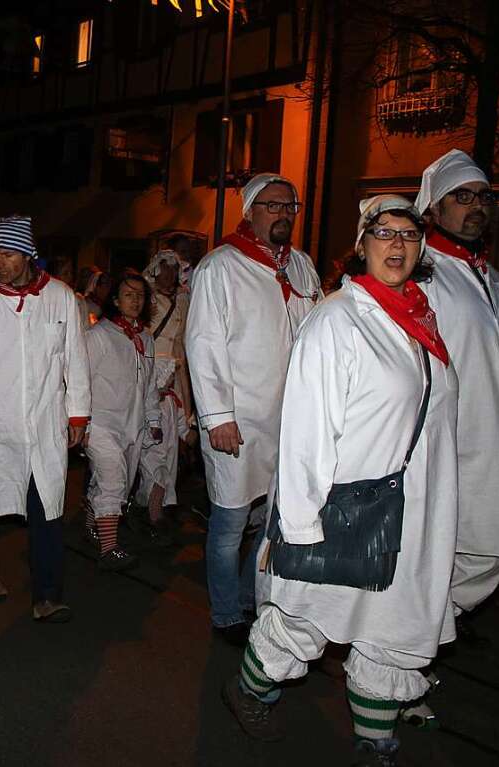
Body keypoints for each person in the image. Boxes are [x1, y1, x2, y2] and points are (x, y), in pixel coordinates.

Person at [227, 195, 458, 766]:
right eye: (384, 233)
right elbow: (306, 433)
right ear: (362, 245)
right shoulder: (337, 320)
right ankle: (249, 692)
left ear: (422, 246)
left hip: (413, 506)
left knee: (393, 623)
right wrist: (300, 530)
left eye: (408, 234)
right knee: (304, 618)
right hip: (345, 506)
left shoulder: (418, 319)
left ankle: (374, 739)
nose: (397, 245)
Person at [185, 173, 322, 646]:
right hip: (238, 422)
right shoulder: (219, 267)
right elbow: (203, 343)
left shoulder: (302, 267)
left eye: (291, 206)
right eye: (272, 206)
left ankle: (249, 597)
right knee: (230, 523)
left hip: (290, 422)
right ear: (250, 211)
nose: (283, 214)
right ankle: (225, 613)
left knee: (272, 523)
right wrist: (218, 416)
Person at [416, 149, 499, 640]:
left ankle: (409, 649)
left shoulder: (493, 280)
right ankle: (397, 663)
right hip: (444, 442)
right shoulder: (421, 272)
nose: (476, 206)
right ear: (434, 208)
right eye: (461, 196)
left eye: (483, 197)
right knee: (437, 557)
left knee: (485, 556)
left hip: (492, 443)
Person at [0, 215, 90, 622]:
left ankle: (47, 594)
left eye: (7, 254)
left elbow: (75, 358)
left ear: (28, 254)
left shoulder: (61, 298)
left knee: (47, 508)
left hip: (45, 423)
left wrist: (78, 411)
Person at [83, 272, 161, 571]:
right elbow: (81, 382)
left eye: (140, 294)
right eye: (128, 294)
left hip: (133, 424)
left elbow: (149, 384)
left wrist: (153, 418)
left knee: (121, 484)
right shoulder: (98, 335)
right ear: (115, 300)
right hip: (102, 423)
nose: (136, 300)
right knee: (114, 481)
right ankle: (109, 548)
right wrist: (83, 424)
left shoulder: (145, 337)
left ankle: (92, 526)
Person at [133, 356, 195, 538]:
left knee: (164, 483)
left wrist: (189, 436)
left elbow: (181, 422)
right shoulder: (151, 402)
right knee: (156, 483)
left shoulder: (172, 400)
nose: (172, 379)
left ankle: (149, 512)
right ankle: (155, 520)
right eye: (169, 376)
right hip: (152, 452)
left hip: (168, 452)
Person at [143, 248, 193, 419]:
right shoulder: (146, 296)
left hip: (176, 362)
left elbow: (186, 333)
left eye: (173, 269)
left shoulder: (183, 298)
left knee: (176, 414)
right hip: (153, 360)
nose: (169, 273)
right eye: (165, 268)